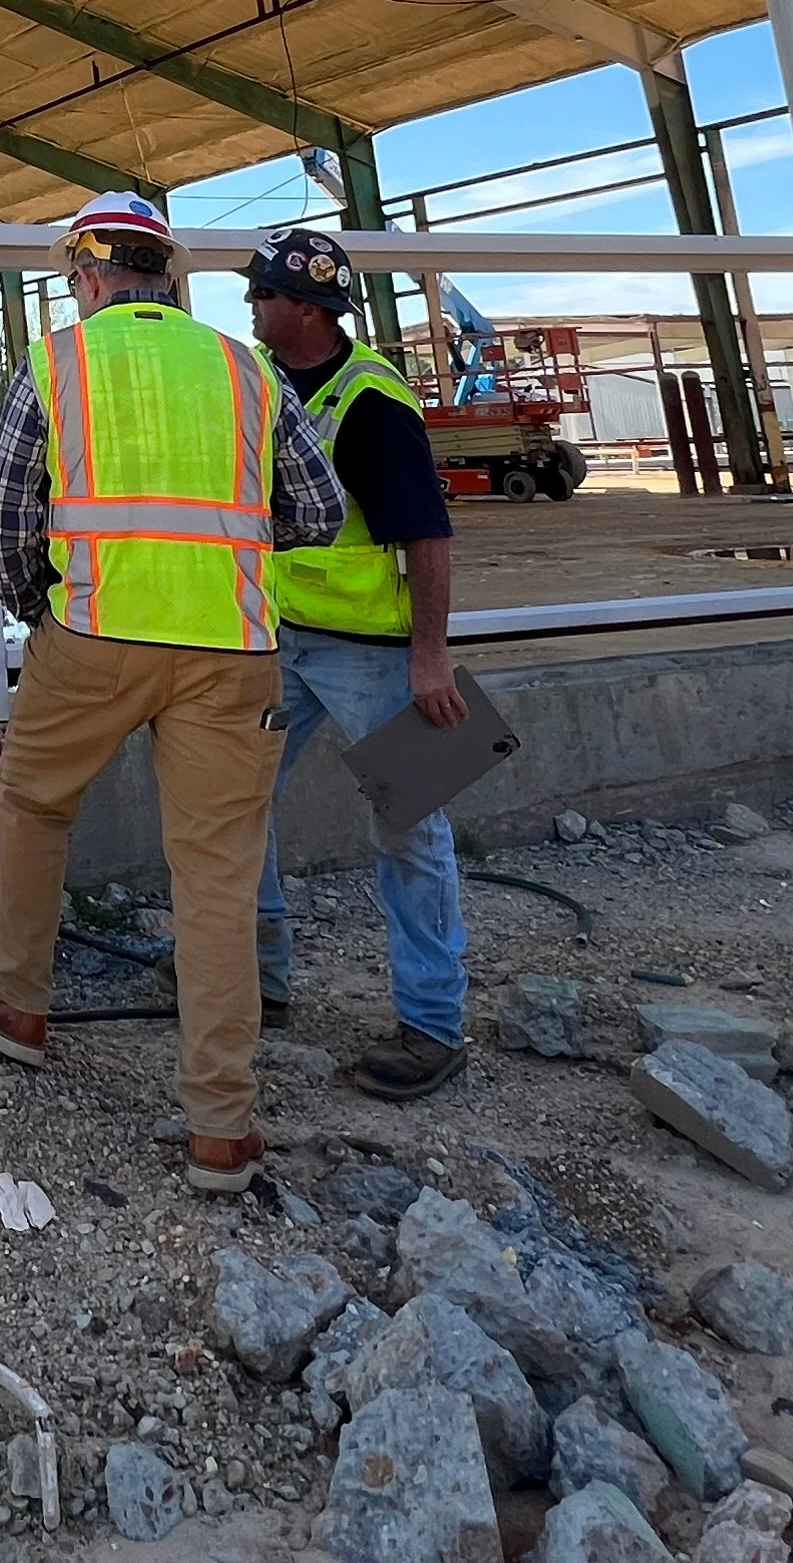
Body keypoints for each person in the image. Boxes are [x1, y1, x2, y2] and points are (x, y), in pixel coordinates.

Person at [0, 191, 350, 1194]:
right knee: (217, 875)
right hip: (231, 651)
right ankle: (222, 1124)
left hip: (89, 637)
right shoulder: (243, 367)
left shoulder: (58, 361)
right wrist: (230, 560)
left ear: (87, 276)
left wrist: (49, 603)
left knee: (35, 805)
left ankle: (18, 1002)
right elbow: (319, 512)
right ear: (164, 275)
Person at [239, 224, 474, 1100]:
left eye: (264, 295)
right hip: (277, 638)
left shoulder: (372, 402)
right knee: (236, 804)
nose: (252, 305)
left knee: (410, 830)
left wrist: (431, 659)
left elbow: (428, 537)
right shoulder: (262, 383)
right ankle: (256, 983)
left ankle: (432, 1025)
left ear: (306, 307)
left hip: (372, 652)